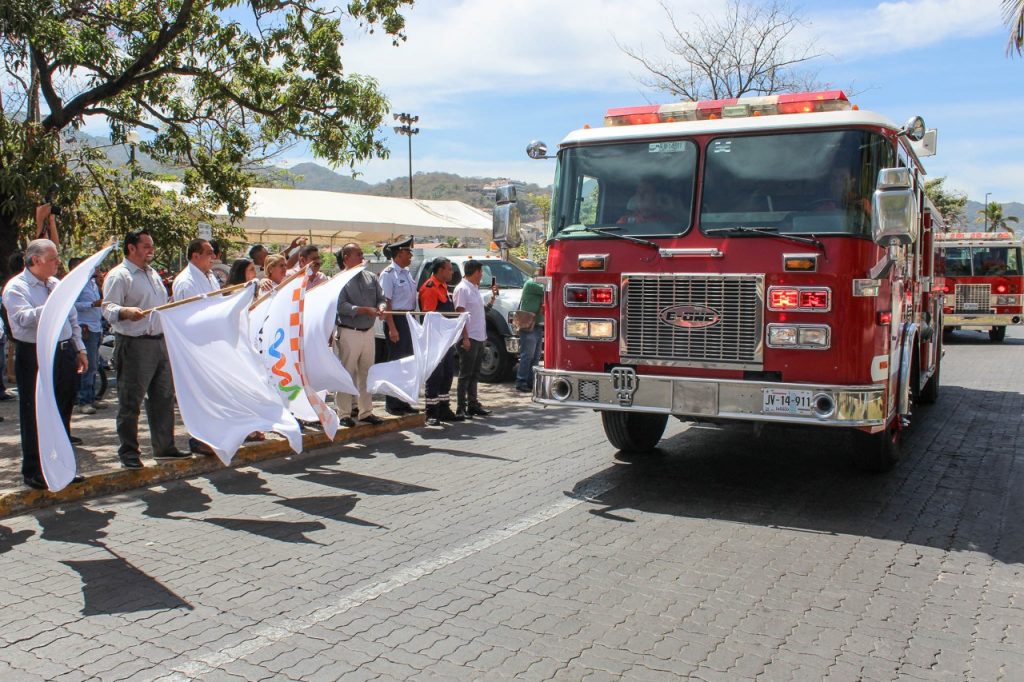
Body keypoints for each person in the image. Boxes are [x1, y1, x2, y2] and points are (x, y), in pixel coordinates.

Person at [2, 239, 88, 489]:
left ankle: (62, 466)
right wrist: (51, 307)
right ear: (35, 260)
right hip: (35, 353)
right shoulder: (16, 287)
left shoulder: (55, 284)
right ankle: (34, 470)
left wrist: (79, 348)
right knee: (34, 412)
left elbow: (72, 318)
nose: (57, 263)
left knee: (63, 408)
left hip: (63, 352)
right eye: (52, 259)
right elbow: (21, 319)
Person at [102, 230, 190, 468]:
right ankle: (129, 453)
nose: (151, 249)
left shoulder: (152, 274)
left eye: (151, 245)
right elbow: (107, 307)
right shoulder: (119, 276)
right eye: (147, 245)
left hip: (158, 342)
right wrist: (124, 312)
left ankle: (164, 446)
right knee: (130, 401)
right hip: (134, 344)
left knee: (163, 397)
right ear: (132, 248)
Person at [333, 243, 386, 427]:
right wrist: (363, 310)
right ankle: (344, 413)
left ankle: (366, 412)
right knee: (346, 373)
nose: (362, 257)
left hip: (368, 331)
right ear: (346, 257)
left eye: (362, 254)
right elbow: (341, 307)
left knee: (367, 373)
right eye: (358, 254)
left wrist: (381, 307)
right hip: (349, 331)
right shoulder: (339, 280)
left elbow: (381, 298)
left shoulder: (371, 277)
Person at [419, 257, 462, 426]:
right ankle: (431, 412)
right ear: (440, 270)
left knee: (447, 374)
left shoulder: (443, 287)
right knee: (435, 375)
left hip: (446, 340)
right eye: (449, 269)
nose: (452, 272)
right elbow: (429, 317)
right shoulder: (430, 288)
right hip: (435, 339)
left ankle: (444, 408)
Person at [379, 236, 419, 416]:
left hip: (408, 318)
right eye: (407, 252)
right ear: (399, 254)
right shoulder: (388, 274)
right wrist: (392, 327)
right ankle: (392, 403)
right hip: (396, 320)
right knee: (396, 363)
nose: (410, 256)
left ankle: (403, 400)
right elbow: (386, 302)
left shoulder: (406, 272)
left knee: (407, 363)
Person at [453, 259, 495, 419]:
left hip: (479, 336)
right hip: (468, 337)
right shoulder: (462, 289)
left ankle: (473, 404)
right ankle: (460, 407)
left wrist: (492, 299)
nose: (482, 275)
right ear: (474, 272)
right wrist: (465, 338)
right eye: (480, 272)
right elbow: (460, 315)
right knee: (465, 374)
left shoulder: (474, 288)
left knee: (475, 373)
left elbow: (480, 311)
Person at [70, 256, 105, 414]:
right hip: (86, 329)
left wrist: (100, 284)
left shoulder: (92, 283)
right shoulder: (76, 285)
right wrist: (91, 304)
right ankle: (84, 400)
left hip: (96, 328)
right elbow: (72, 306)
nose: (97, 269)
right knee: (88, 366)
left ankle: (91, 397)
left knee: (94, 366)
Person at [516, 264, 545, 393]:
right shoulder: (532, 284)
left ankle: (530, 382)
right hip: (530, 325)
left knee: (535, 356)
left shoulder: (535, 283)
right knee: (527, 355)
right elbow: (547, 289)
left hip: (537, 325)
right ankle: (522, 381)